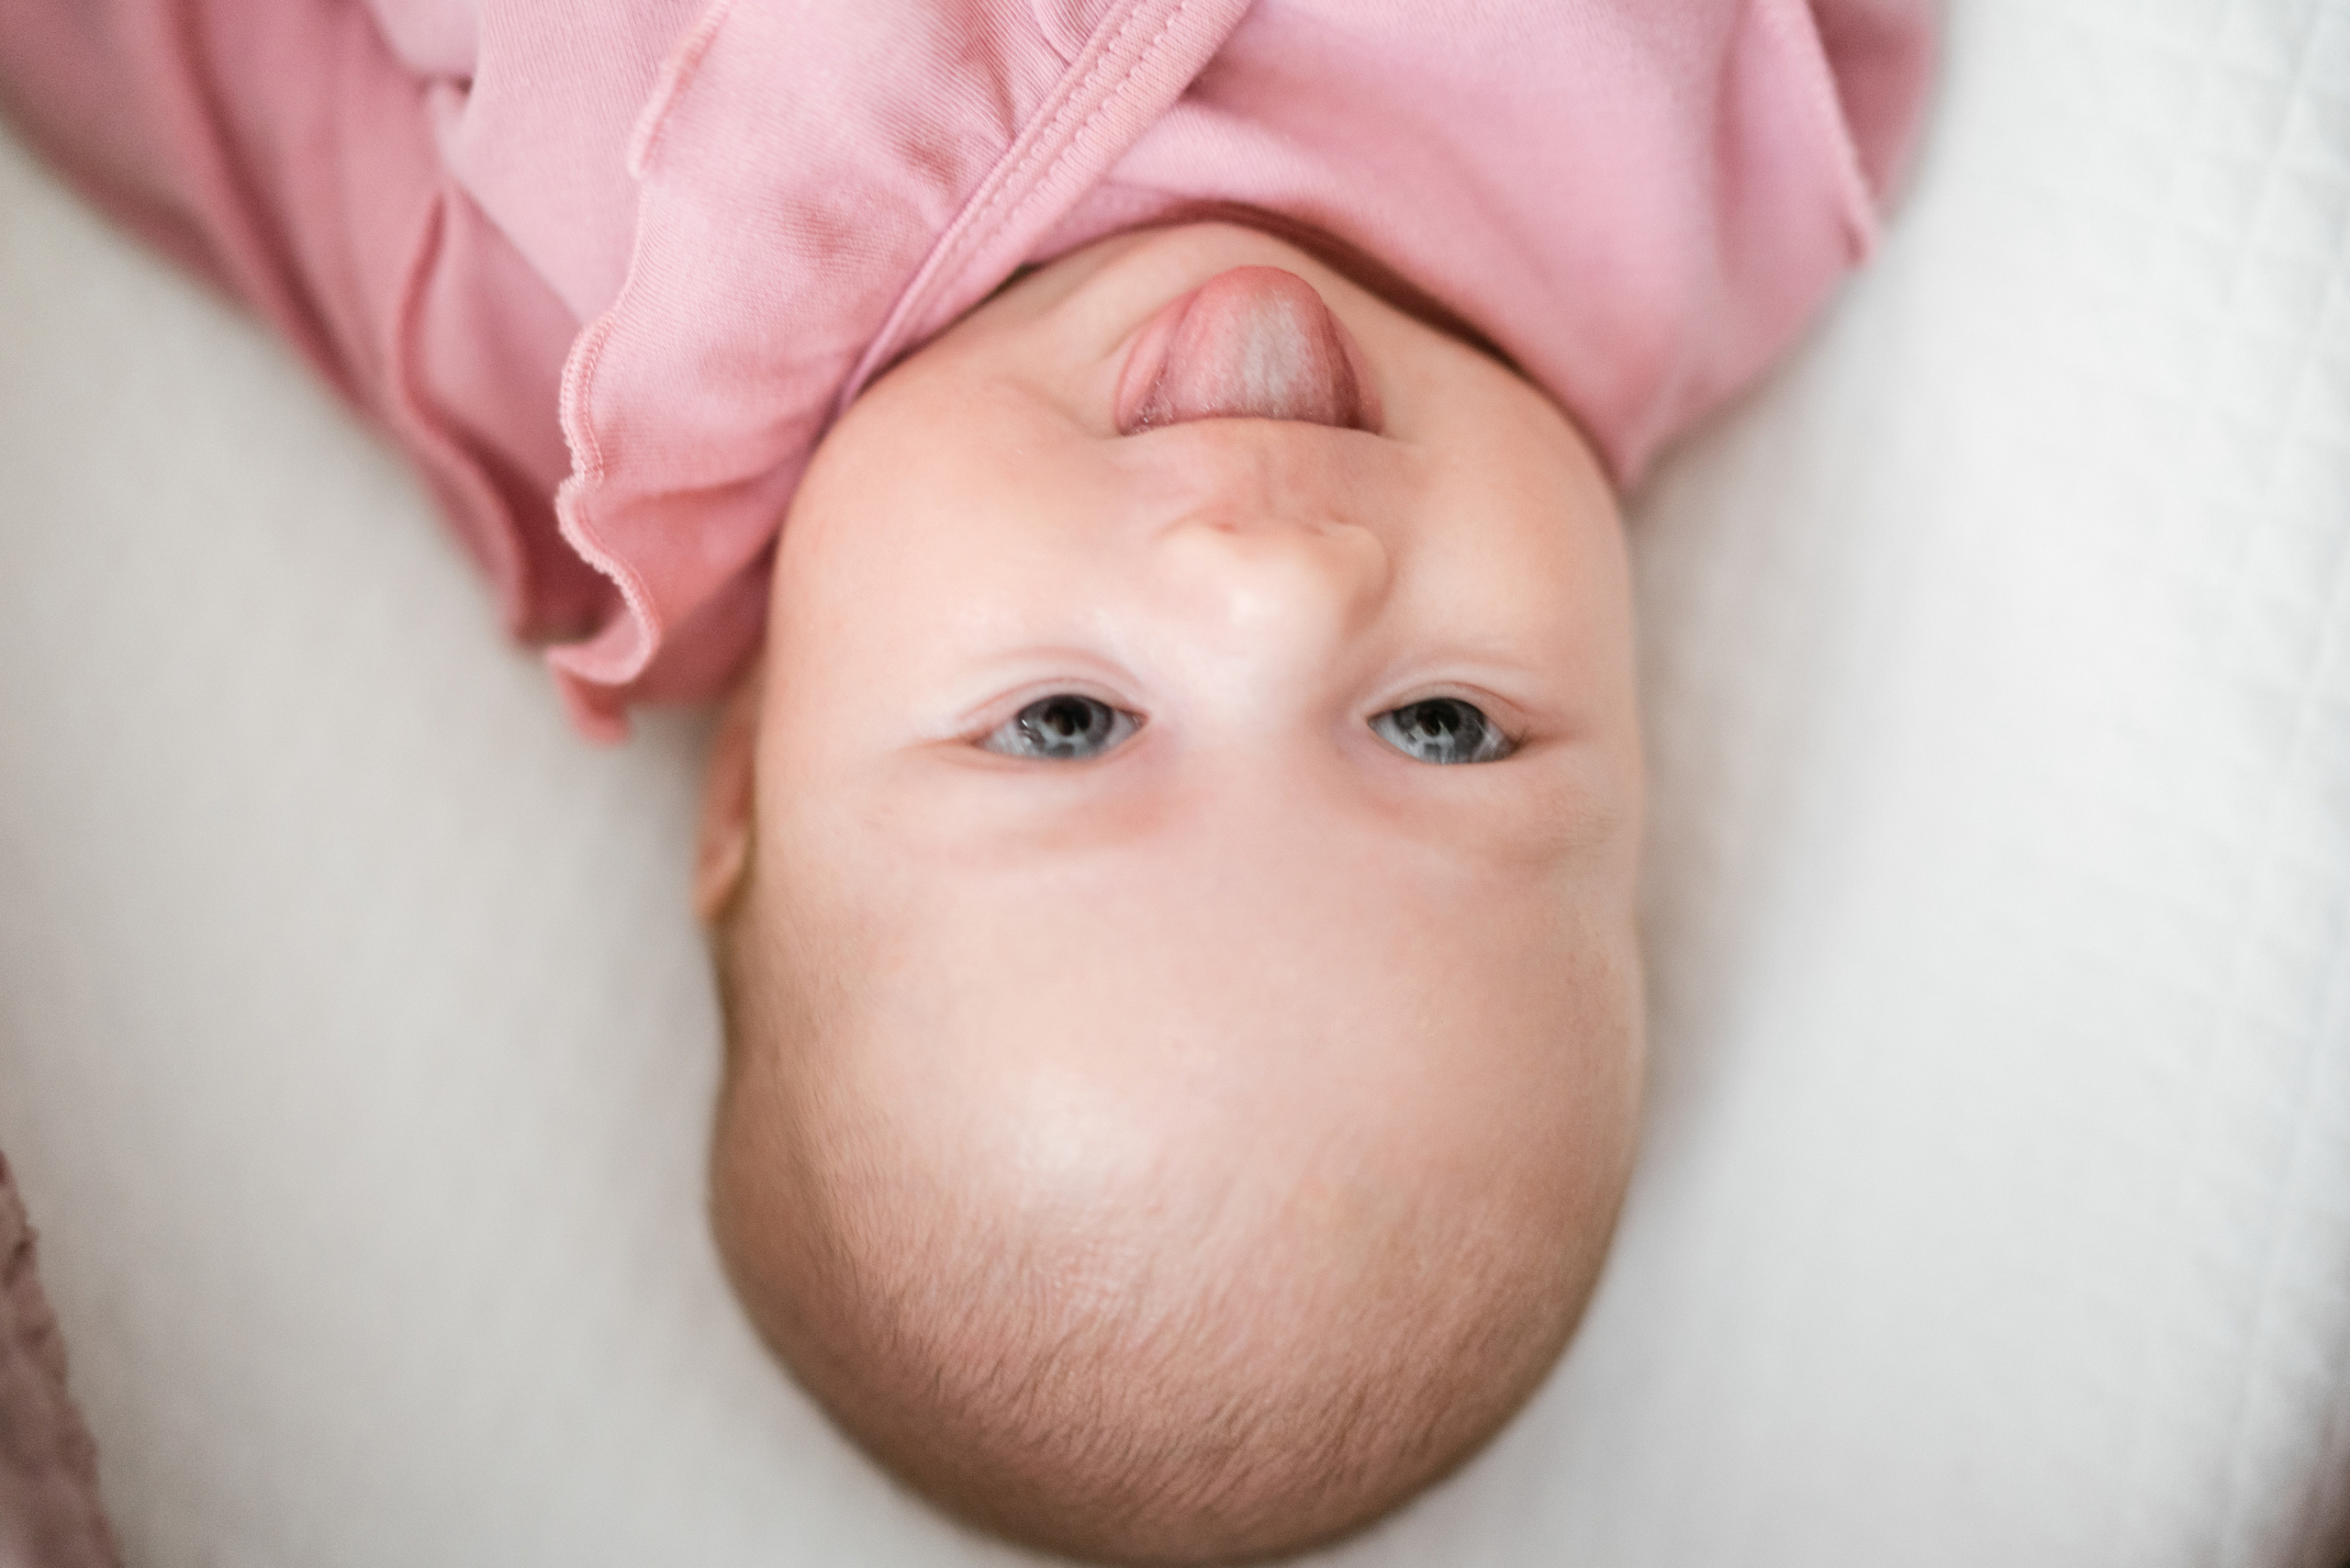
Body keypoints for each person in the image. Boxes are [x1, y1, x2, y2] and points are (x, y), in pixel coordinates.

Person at [0, 1, 1934, 1560]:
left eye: (1066, 725)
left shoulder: (591, 367)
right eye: (1438, 727)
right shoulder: (1729, 178)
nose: (1273, 584)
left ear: (751, 766)